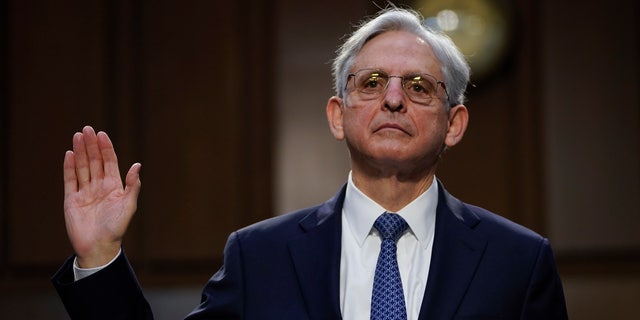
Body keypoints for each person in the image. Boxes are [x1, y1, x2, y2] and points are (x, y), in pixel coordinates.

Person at [52, 7, 568, 320]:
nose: (393, 99)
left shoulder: (518, 262)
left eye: (417, 87)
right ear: (337, 117)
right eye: (371, 82)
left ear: (454, 123)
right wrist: (100, 258)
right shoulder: (261, 257)